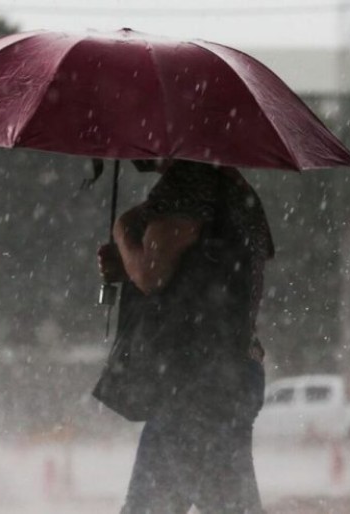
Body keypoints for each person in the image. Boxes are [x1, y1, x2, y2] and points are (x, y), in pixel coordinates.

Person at [96, 158, 275, 514]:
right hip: (222, 374)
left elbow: (150, 273)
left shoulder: (189, 181)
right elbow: (194, 272)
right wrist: (128, 262)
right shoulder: (233, 187)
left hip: (194, 383)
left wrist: (121, 232)